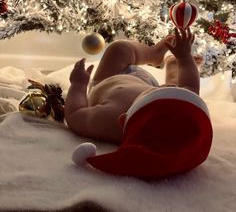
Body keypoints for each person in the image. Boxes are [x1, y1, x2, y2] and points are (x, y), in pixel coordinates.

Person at [65, 27, 203, 144]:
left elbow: (75, 114)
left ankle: (162, 58)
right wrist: (185, 58)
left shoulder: (108, 120)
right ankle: (161, 58)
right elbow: (190, 88)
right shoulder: (172, 113)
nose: (165, 90)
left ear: (124, 119)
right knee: (176, 87)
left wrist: (78, 86)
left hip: (107, 80)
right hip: (144, 82)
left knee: (119, 49)